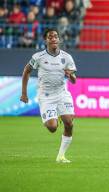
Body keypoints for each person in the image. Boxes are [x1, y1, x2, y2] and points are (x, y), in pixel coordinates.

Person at [20, 28, 77, 163]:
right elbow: (26, 71)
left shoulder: (66, 57)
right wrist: (24, 93)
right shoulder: (38, 57)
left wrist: (71, 76)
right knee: (52, 128)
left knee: (69, 123)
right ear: (46, 40)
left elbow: (74, 80)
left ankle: (61, 156)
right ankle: (55, 117)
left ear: (59, 40)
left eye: (55, 36)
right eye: (50, 37)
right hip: (46, 96)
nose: (53, 39)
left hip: (62, 93)